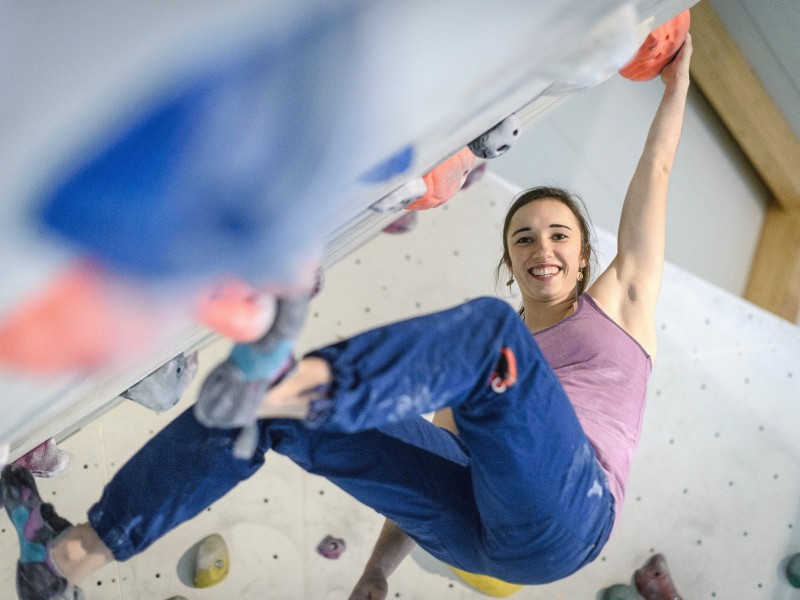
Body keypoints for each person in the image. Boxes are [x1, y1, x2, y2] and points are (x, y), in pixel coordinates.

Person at [1, 35, 692, 600]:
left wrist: (678, 81)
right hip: (483, 530)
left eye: (558, 235)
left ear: (584, 256)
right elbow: (432, 471)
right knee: (274, 411)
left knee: (483, 338)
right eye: (524, 237)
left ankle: (294, 383)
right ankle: (70, 557)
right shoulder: (484, 376)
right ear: (510, 263)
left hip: (569, 521)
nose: (542, 246)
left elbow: (657, 167)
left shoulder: (620, 302)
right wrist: (376, 572)